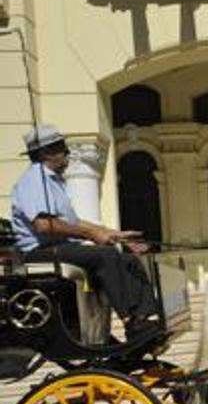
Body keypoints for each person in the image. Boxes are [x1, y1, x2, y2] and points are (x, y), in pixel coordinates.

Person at [10, 124, 160, 341]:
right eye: (62, 148)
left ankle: (145, 317)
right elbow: (43, 225)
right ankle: (131, 323)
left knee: (128, 259)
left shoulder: (54, 181)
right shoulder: (35, 180)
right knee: (104, 255)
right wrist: (92, 236)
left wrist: (113, 234)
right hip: (38, 252)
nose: (67, 153)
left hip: (59, 247)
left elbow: (74, 222)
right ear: (45, 153)